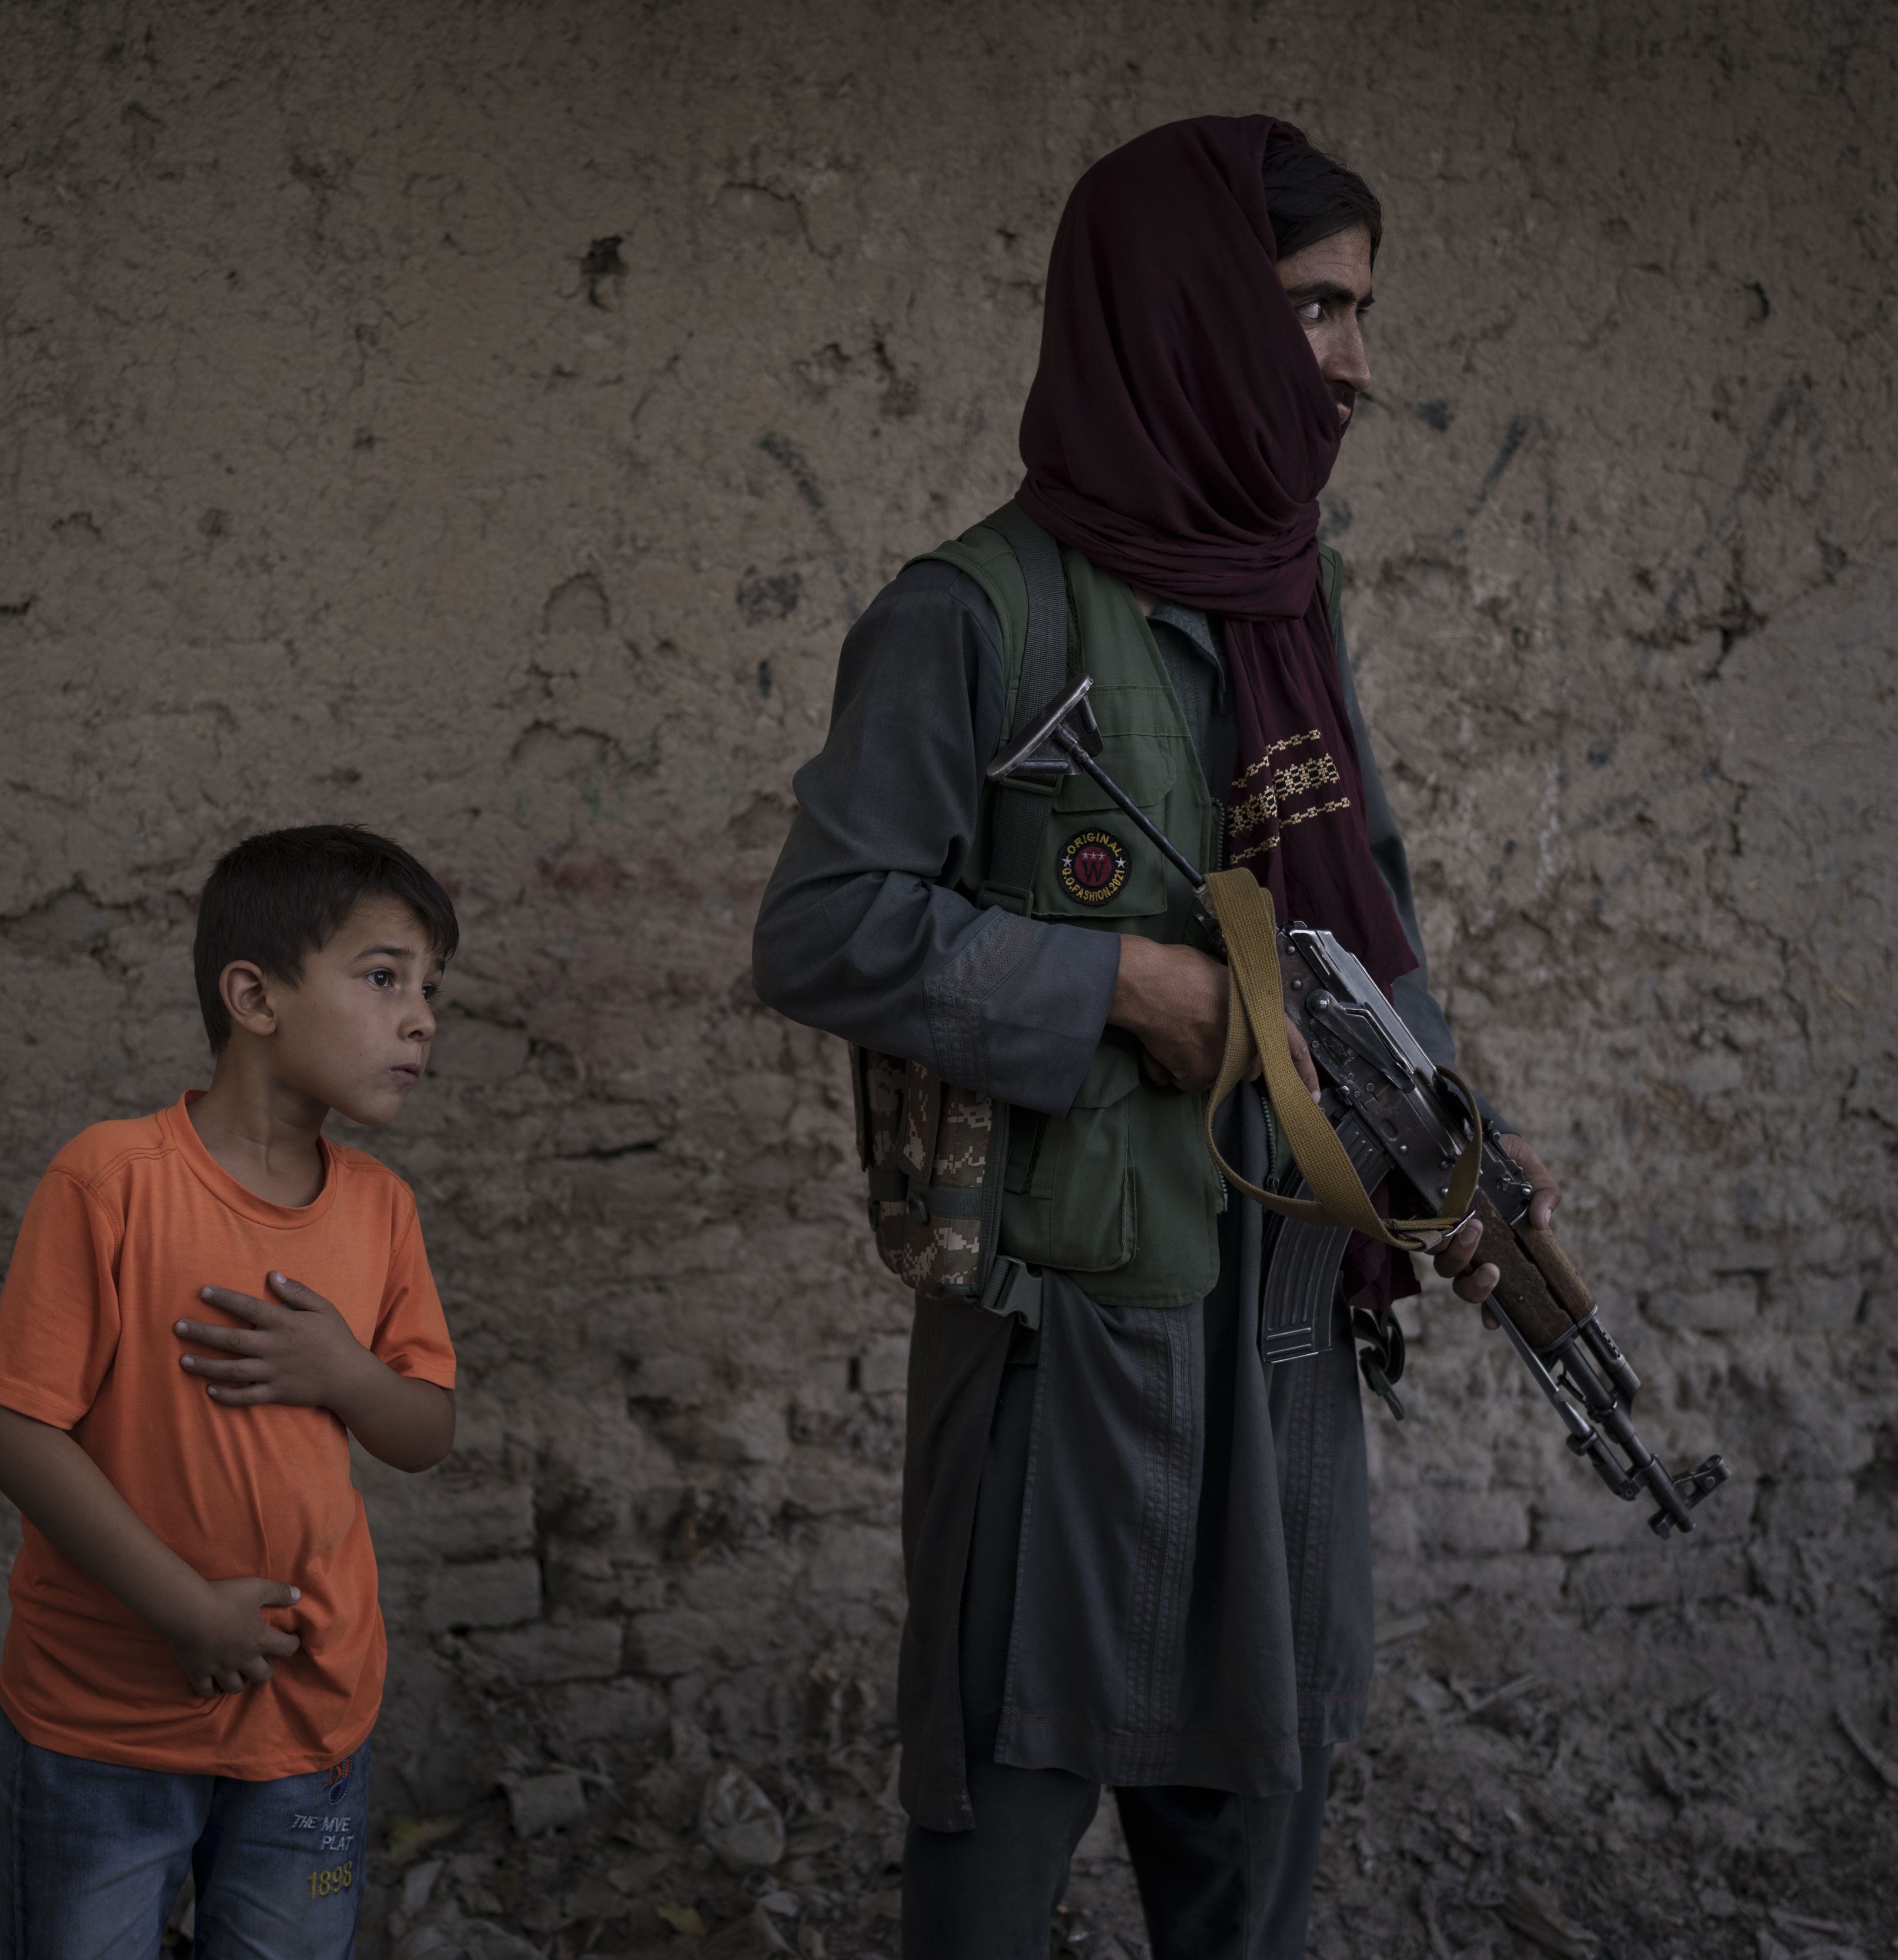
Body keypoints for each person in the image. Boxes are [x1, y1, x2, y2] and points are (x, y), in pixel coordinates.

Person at [750, 118, 1562, 1959]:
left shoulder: (1290, 591)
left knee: (1258, 1834)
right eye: (1318, 308)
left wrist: (1448, 1136)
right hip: (1065, 1354)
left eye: (1360, 312)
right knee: (997, 1829)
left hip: (1281, 1328)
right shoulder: (968, 615)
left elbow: (1367, 920)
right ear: (1191, 313)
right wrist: (1123, 983)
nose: (1358, 362)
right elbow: (821, 925)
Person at [0, 824, 463, 1959]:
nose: (422, 1017)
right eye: (383, 977)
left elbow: (426, 1429)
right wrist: (184, 1608)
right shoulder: (112, 1182)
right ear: (254, 996)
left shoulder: (381, 1211)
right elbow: (14, 1427)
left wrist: (347, 1373)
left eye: (430, 988)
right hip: (105, 1718)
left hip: (310, 1715)